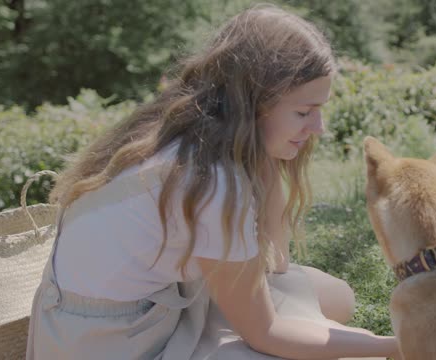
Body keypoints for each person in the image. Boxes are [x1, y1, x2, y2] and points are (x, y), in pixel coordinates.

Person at [26, 4, 401, 360]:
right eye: (304, 111)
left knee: (337, 298)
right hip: (106, 343)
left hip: (138, 307)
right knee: (317, 342)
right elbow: (266, 333)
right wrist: (395, 344)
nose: (318, 128)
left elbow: (278, 261)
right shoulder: (212, 180)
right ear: (253, 103)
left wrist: (269, 158)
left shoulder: (189, 127)